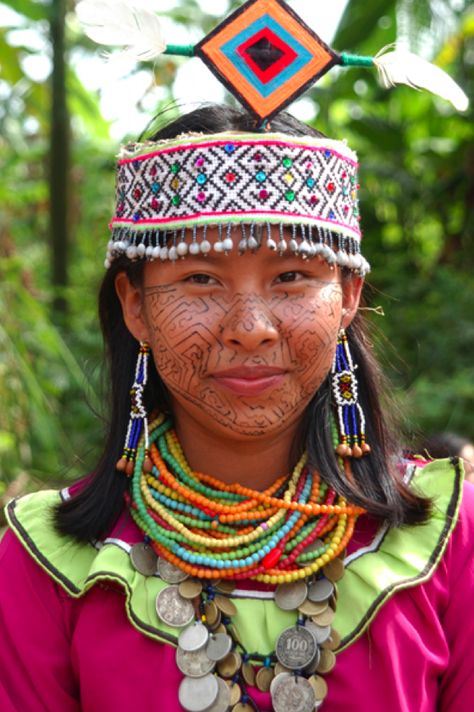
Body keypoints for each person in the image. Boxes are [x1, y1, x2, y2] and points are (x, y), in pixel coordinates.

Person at [1, 1, 473, 709]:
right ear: (135, 306)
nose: (250, 327)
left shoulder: (452, 536)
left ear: (347, 296)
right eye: (200, 279)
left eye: (291, 277)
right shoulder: (42, 564)